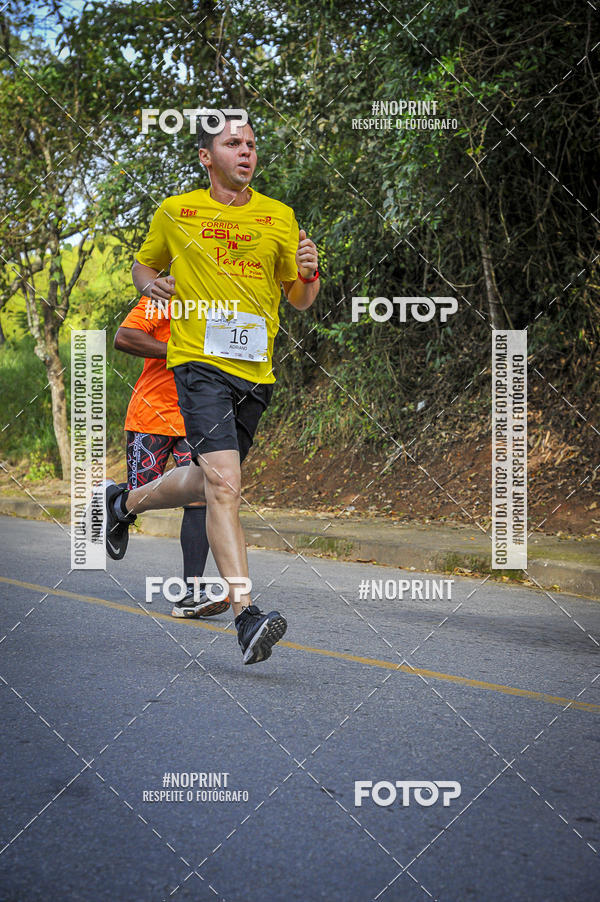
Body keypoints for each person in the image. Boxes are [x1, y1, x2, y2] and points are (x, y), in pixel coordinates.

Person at [101, 110, 320, 665]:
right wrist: (158, 287)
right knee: (225, 485)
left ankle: (122, 502)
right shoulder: (178, 212)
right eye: (232, 143)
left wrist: (310, 275)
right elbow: (143, 268)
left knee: (208, 482)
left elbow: (296, 300)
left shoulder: (279, 216)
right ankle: (246, 615)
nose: (246, 151)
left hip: (256, 371)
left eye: (251, 143)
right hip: (198, 364)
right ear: (206, 156)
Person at [113, 296, 229, 619]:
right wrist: (178, 351)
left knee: (199, 494)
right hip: (151, 414)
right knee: (144, 493)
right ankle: (118, 505)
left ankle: (191, 592)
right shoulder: (163, 298)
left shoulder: (222, 297)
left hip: (196, 415)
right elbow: (123, 336)